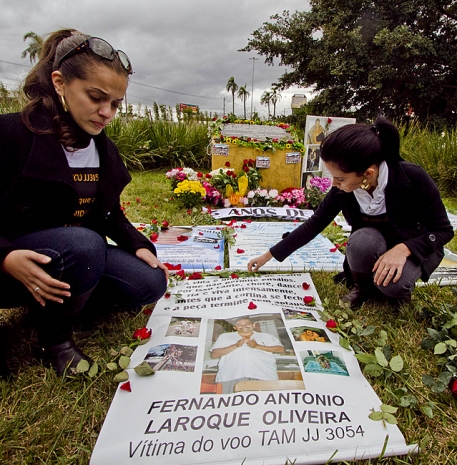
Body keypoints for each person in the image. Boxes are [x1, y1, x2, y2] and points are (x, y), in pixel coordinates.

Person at [0, 29, 169, 376]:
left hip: (71, 259)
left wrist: (137, 244)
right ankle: (55, 341)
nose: (106, 113)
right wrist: (6, 257)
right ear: (60, 83)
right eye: (96, 97)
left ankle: (56, 303)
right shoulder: (10, 135)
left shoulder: (101, 148)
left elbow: (108, 212)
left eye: (116, 104)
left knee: (149, 282)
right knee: (85, 244)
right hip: (12, 264)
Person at [248, 117, 454, 310]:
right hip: (373, 242)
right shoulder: (344, 191)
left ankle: (396, 292)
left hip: (413, 245)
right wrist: (268, 255)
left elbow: (443, 230)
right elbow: (315, 223)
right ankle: (362, 288)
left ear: (368, 174)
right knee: (361, 240)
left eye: (340, 179)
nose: (334, 184)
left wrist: (404, 249)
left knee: (394, 286)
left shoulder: (412, 177)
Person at [210, 317, 284, 394]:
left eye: (247, 323)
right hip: (231, 376)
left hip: (263, 375)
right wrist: (235, 345)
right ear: (235, 327)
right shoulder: (225, 337)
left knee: (264, 400)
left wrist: (257, 346)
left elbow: (280, 349)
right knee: (231, 400)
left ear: (253, 325)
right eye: (239, 325)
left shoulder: (266, 336)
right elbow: (214, 354)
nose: (244, 326)